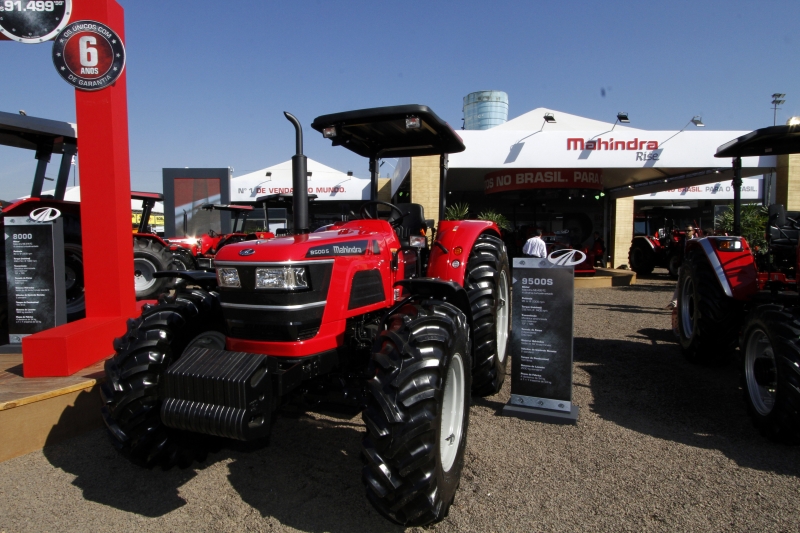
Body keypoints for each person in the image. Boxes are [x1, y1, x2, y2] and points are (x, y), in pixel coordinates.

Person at [668, 225, 696, 308]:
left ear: (693, 231)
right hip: (683, 265)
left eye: (689, 230)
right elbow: (679, 252)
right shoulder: (682, 241)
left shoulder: (696, 241)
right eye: (686, 230)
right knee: (679, 284)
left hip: (693, 266)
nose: (687, 232)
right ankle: (674, 302)